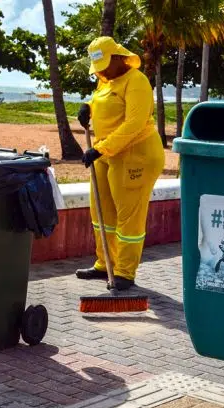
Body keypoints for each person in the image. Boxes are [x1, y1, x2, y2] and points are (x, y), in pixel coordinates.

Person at [75, 36, 165, 291]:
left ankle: (125, 272)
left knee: (129, 217)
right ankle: (105, 264)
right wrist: (87, 104)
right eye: (97, 67)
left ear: (117, 57)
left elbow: (134, 125)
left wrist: (99, 149)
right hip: (106, 153)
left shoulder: (136, 81)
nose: (100, 71)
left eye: (104, 64)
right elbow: (102, 99)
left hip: (135, 155)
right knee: (101, 211)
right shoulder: (107, 81)